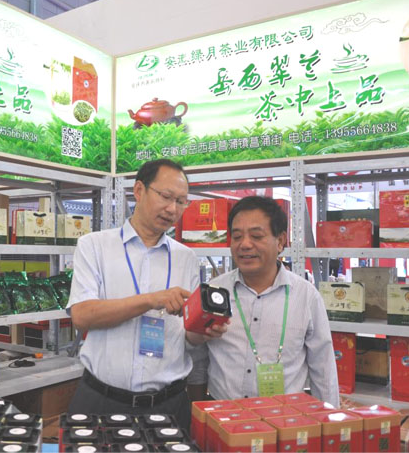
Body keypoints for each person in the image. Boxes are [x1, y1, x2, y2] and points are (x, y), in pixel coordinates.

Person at [66, 159, 227, 429]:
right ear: (139, 190)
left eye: (181, 202)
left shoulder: (186, 257)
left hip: (168, 404)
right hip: (102, 400)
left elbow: (187, 337)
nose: (172, 209)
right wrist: (152, 299)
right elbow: (82, 316)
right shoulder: (94, 246)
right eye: (165, 196)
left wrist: (205, 329)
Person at [188, 196, 339, 406]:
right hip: (222, 412)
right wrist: (196, 411)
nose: (244, 245)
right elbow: (198, 359)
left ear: (280, 241)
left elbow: (323, 367)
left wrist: (330, 416)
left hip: (284, 417)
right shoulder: (213, 292)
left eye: (256, 236)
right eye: (237, 236)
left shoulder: (306, 296)